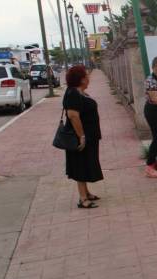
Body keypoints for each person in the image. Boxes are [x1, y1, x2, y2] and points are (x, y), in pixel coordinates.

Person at [63, 65, 102, 209]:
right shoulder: (72, 93)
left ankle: (86, 192)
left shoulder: (79, 92)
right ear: (81, 79)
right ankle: (83, 198)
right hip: (80, 137)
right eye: (86, 75)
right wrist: (82, 136)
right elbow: (73, 115)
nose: (88, 77)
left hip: (90, 135)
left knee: (86, 163)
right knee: (80, 164)